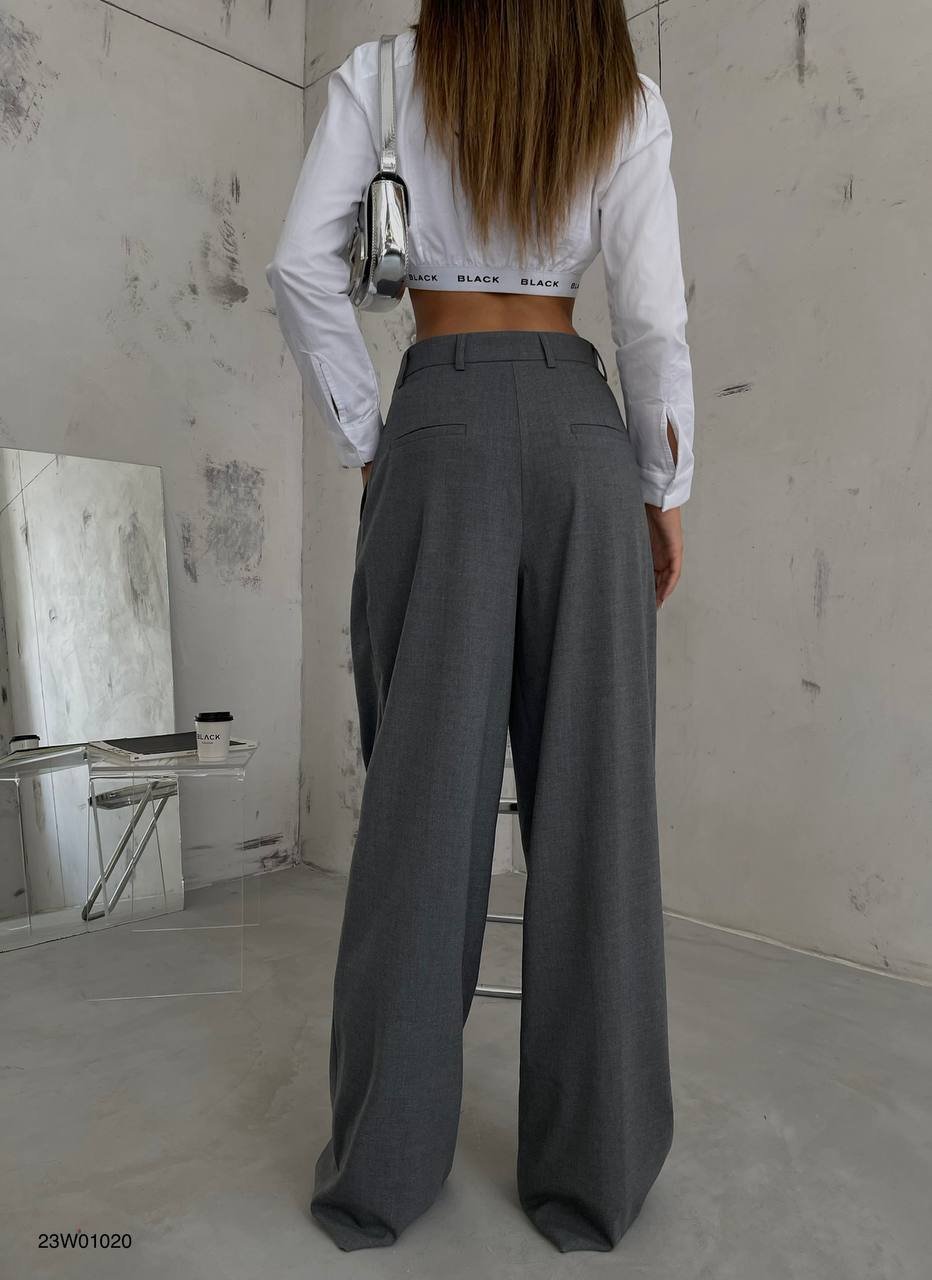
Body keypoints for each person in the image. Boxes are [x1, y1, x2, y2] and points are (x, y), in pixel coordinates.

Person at [265, 0, 695, 1255]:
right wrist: (661, 487)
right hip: (580, 436)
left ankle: (379, 1178)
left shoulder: (388, 72)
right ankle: (593, 1180)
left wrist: (370, 439)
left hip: (438, 427)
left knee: (419, 811)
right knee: (598, 815)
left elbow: (300, 265)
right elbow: (651, 317)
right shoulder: (620, 93)